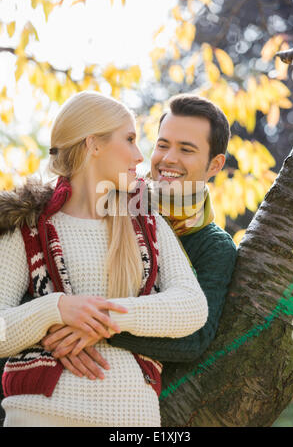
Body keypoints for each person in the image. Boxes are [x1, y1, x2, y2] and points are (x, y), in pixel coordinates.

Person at [0, 91, 208, 427]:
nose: (140, 155)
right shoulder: (28, 223)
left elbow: (192, 307)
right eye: (128, 139)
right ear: (93, 144)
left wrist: (103, 320)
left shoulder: (146, 220)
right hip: (37, 418)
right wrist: (57, 309)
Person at [41, 94, 237, 381]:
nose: (168, 159)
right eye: (162, 145)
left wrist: (94, 330)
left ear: (215, 165)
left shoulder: (214, 247)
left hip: (130, 393)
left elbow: (195, 339)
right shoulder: (108, 201)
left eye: (186, 149)